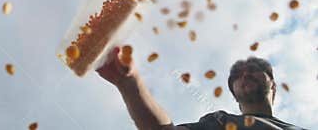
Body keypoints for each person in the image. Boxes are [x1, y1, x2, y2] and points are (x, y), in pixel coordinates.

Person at [96, 47, 307, 130]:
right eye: (237, 75)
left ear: (273, 84)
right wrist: (129, 84)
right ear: (235, 96)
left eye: (253, 69)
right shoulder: (221, 122)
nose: (245, 74)